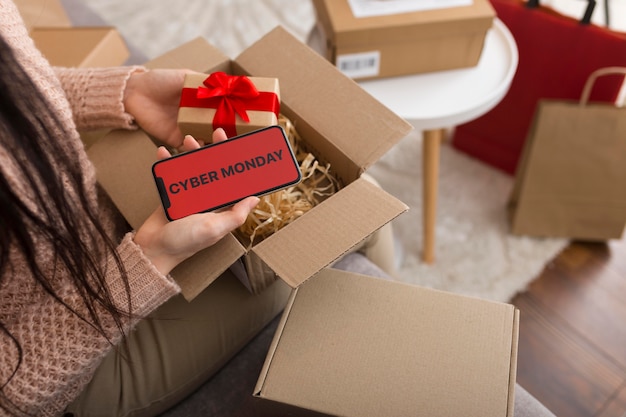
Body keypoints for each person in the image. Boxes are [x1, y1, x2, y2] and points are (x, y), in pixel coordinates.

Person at [0, 1, 400, 416]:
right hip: (82, 351)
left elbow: (21, 89)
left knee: (363, 200)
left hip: (101, 213)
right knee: (361, 211)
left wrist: (122, 92)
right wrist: (151, 257)